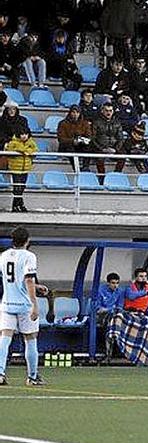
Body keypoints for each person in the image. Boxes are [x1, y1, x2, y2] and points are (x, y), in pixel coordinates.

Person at [0, 227, 43, 386]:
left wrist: (38, 287)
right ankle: (32, 377)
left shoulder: (3, 256)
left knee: (4, 338)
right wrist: (34, 304)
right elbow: (28, 280)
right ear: (27, 240)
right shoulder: (29, 256)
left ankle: (0, 373)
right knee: (30, 338)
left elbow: (11, 278)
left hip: (7, 303)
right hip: (24, 304)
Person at [6, 127, 37, 213]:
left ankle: (17, 205)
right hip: (15, 169)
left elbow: (35, 151)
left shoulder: (31, 143)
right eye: (22, 134)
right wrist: (24, 150)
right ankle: (19, 205)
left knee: (22, 187)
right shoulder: (13, 143)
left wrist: (28, 151)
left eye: (26, 134)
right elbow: (9, 150)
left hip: (25, 169)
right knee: (17, 187)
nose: (24, 136)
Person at [57, 105, 92, 170]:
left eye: (77, 112)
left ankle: (85, 167)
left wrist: (83, 139)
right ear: (70, 113)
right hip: (67, 146)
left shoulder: (85, 123)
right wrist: (73, 141)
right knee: (70, 149)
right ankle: (76, 168)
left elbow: (89, 136)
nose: (75, 114)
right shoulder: (63, 123)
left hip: (81, 145)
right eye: (73, 112)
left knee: (89, 147)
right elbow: (61, 139)